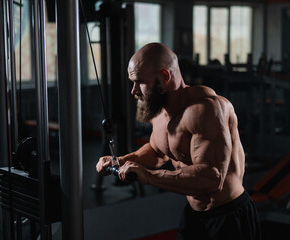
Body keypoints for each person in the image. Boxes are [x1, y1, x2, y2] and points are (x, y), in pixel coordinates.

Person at [96, 43, 261, 239]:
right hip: (194, 216)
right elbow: (157, 151)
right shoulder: (159, 112)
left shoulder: (206, 110)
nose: (134, 91)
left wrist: (149, 176)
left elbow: (211, 178)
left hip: (229, 218)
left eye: (140, 82)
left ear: (165, 77)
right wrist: (122, 161)